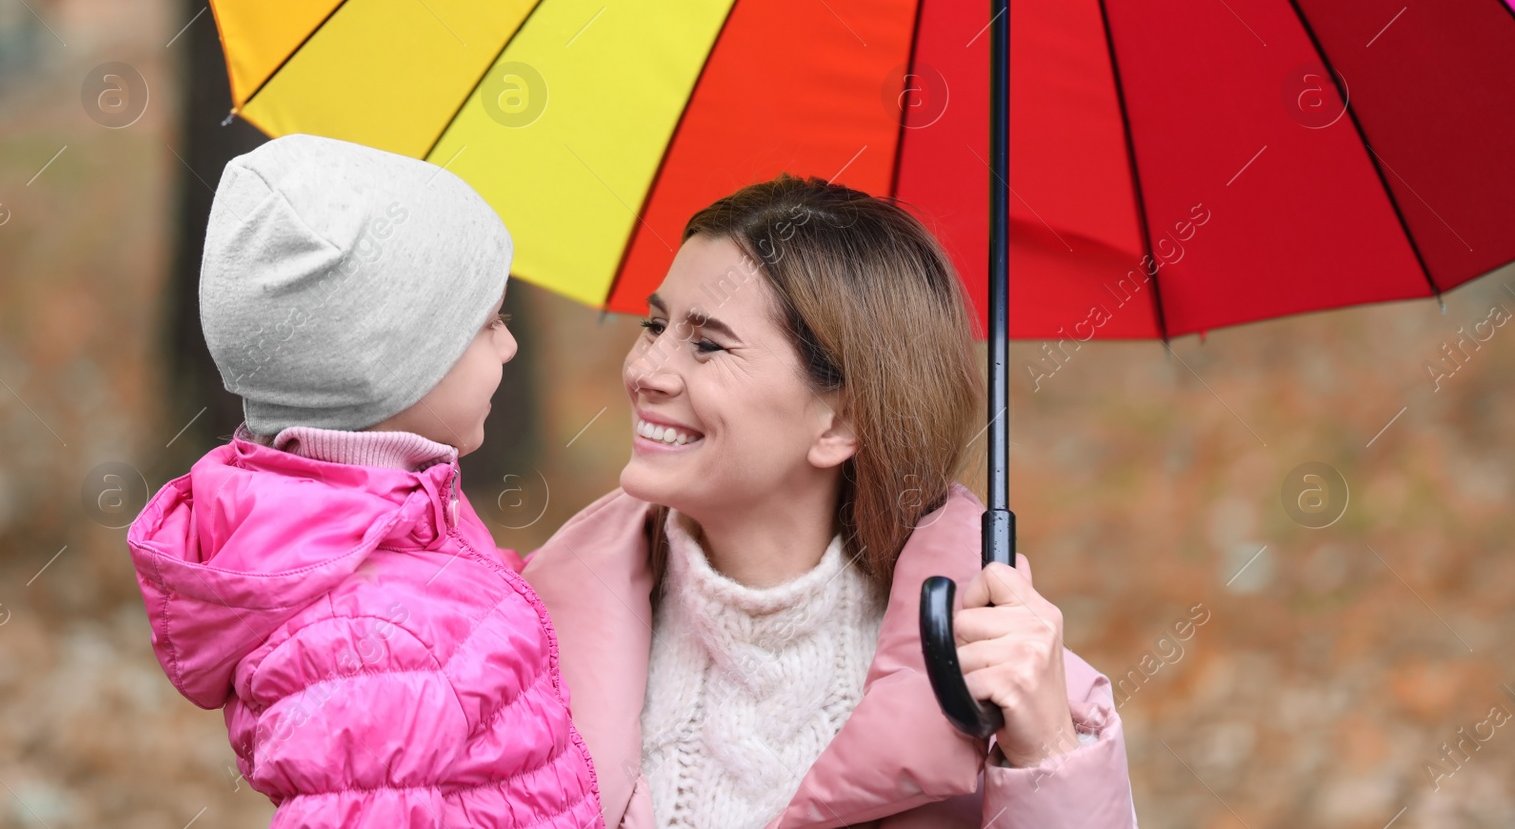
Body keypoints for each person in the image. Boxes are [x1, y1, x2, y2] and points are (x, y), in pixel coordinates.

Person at [519, 175, 1136, 828]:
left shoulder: (1005, 682)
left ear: (841, 421)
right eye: (655, 324)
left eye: (706, 343)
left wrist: (1045, 756)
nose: (645, 369)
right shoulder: (524, 635)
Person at [126, 134, 601, 827]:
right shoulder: (365, 640)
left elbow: (459, 627)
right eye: (488, 323)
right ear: (400, 362)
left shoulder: (390, 518)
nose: (510, 343)